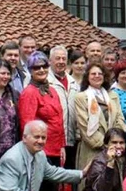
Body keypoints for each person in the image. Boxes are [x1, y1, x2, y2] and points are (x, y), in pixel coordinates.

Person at [18, 51, 66, 191]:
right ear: (30, 71)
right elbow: (27, 126)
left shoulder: (52, 90)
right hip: (41, 151)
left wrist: (62, 145)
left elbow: (59, 120)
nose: (41, 70)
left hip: (56, 150)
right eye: (36, 67)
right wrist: (36, 152)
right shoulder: (29, 93)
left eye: (44, 66)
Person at [74, 63, 126, 190]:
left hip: (115, 149)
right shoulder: (81, 97)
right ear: (87, 77)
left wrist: (115, 143)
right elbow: (85, 126)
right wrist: (107, 145)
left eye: (100, 73)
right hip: (92, 149)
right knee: (91, 185)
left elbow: (120, 119)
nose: (97, 76)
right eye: (93, 74)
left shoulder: (113, 96)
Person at [0, 120, 85, 191]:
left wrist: (82, 174)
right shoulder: (11, 160)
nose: (41, 141)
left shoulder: (40, 154)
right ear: (24, 137)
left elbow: (53, 173)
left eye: (43, 137)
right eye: (36, 137)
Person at [47, 46, 79, 176]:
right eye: (57, 58)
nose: (61, 61)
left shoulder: (73, 82)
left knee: (70, 177)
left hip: (71, 139)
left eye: (63, 59)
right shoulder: (45, 81)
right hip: (52, 142)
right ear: (50, 61)